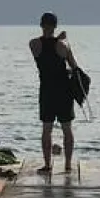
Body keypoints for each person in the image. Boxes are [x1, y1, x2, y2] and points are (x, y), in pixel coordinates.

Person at [30, 12, 79, 173]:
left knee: (47, 129)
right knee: (67, 129)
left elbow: (47, 48)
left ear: (41, 25)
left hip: (46, 91)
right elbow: (74, 66)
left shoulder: (34, 44)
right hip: (64, 92)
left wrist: (58, 39)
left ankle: (47, 164)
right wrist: (64, 41)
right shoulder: (63, 46)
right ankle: (68, 164)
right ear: (55, 26)